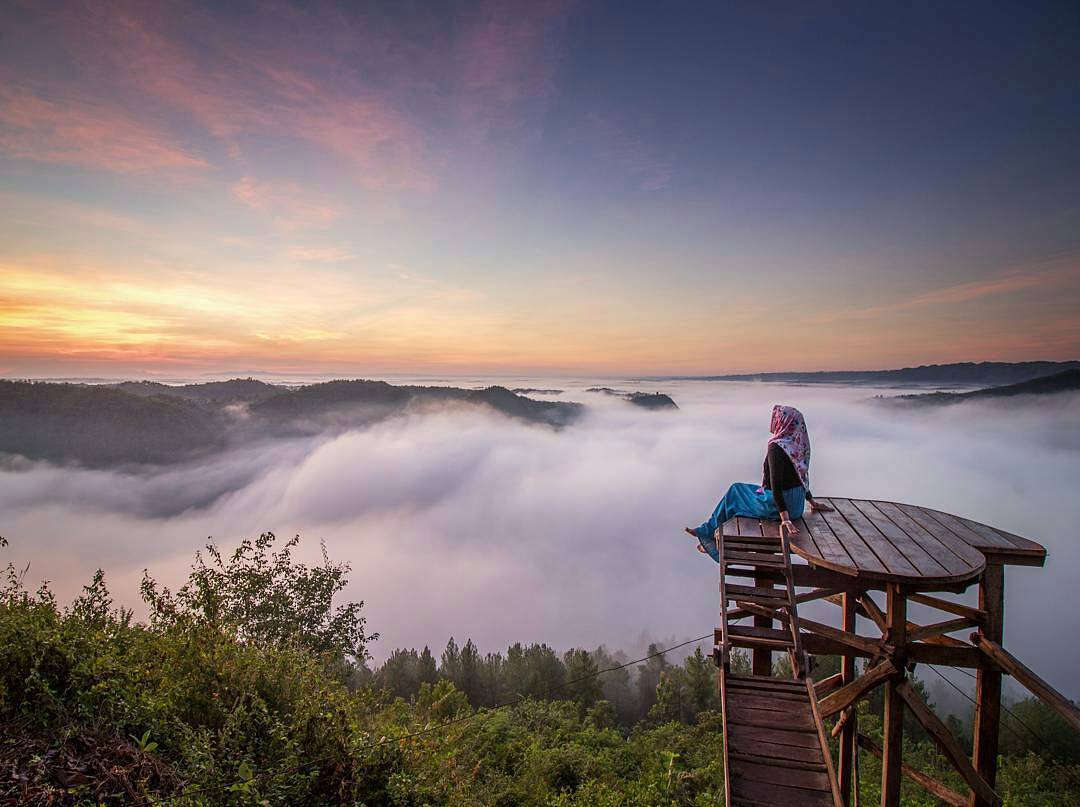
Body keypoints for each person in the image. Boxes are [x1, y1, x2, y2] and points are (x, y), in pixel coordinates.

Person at [684, 404, 830, 562]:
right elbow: (801, 477)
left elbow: (776, 486)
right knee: (742, 493)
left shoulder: (777, 447)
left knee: (735, 491)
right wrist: (811, 501)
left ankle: (708, 534)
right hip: (797, 505)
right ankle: (709, 532)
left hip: (781, 506)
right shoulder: (798, 445)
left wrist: (785, 519)